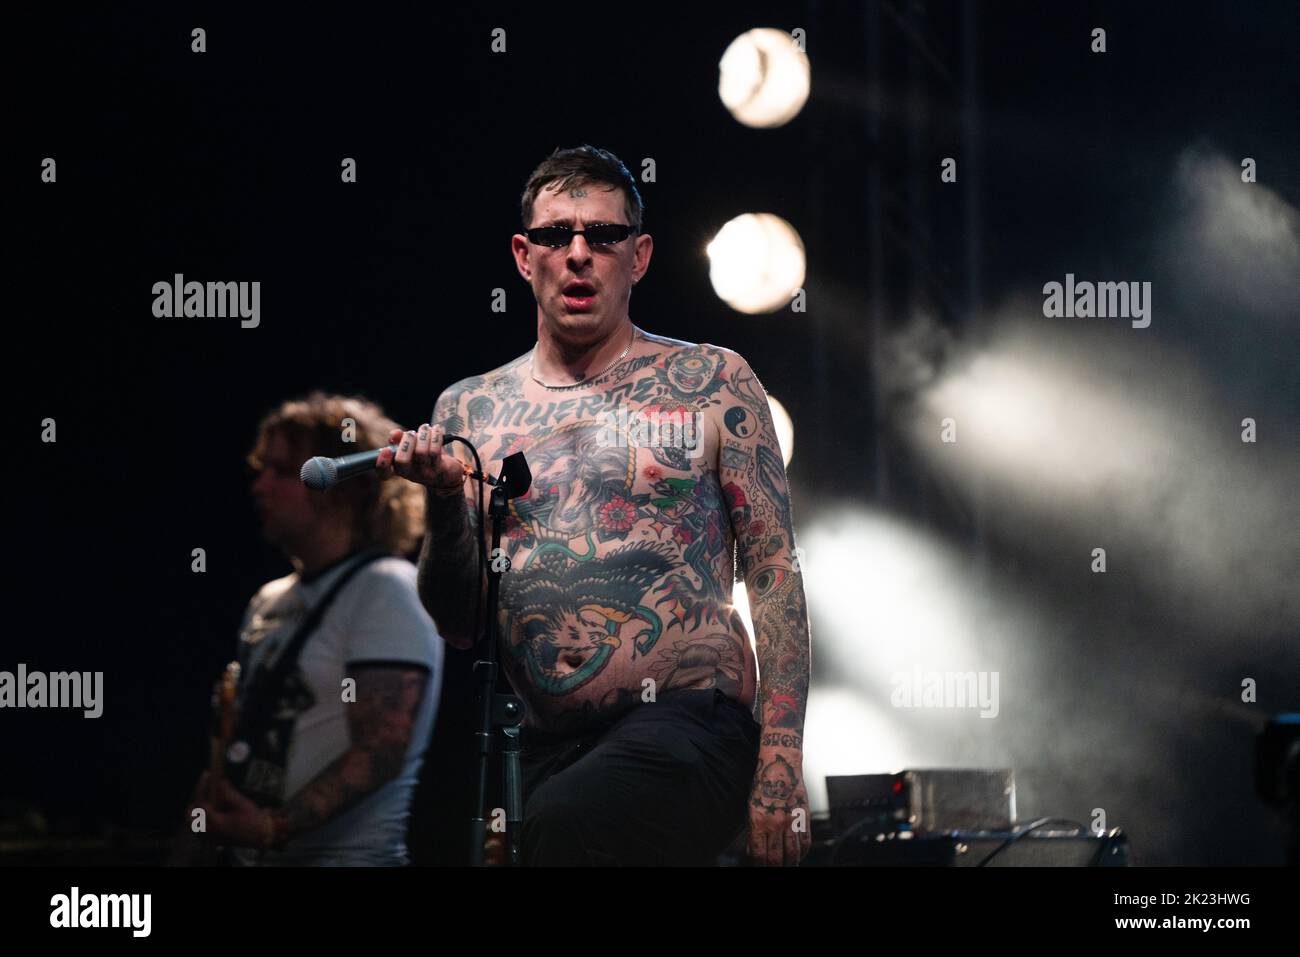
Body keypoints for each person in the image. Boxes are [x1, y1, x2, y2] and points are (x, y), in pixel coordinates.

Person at [378, 145, 812, 866]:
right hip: (545, 750)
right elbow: (458, 621)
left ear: (638, 256)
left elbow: (774, 574)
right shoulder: (471, 406)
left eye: (602, 236)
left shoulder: (712, 381)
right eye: (555, 235)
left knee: (568, 826)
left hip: (689, 727)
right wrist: (449, 500)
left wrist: (780, 767)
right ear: (524, 255)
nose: (578, 254)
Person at [188, 392, 443, 865]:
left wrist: (271, 828)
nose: (259, 486)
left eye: (283, 472)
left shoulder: (387, 588)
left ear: (346, 487)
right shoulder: (268, 599)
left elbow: (382, 747)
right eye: (261, 469)